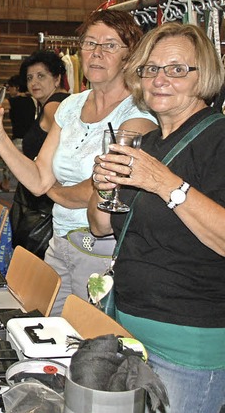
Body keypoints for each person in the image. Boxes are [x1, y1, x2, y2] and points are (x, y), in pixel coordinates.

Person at [88, 23, 225, 413]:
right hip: (126, 330)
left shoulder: (219, 139)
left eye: (178, 69)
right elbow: (100, 227)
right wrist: (103, 186)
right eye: (151, 69)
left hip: (189, 345)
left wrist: (166, 184)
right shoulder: (144, 143)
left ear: (205, 76)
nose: (161, 79)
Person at [0, 10, 157, 315]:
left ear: (130, 57)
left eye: (110, 45)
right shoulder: (70, 105)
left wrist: (56, 191)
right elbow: (38, 179)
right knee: (45, 327)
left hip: (101, 249)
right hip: (58, 241)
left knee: (90, 340)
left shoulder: (138, 116)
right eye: (90, 43)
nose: (97, 53)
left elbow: (101, 189)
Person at [10, 51, 69, 256]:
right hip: (40, 201)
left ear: (57, 78)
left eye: (41, 76)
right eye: (29, 78)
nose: (34, 82)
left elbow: (68, 134)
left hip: (43, 206)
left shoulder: (54, 105)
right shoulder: (52, 104)